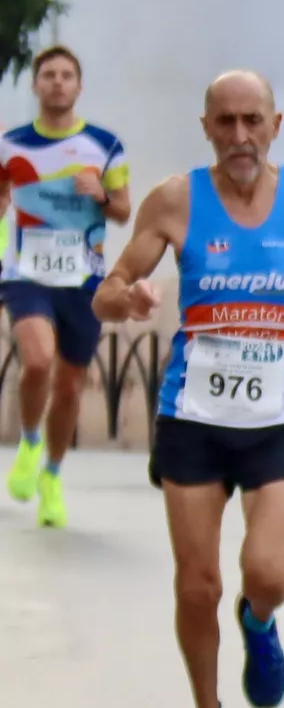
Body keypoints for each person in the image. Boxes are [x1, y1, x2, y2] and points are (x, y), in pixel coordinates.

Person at [95, 71, 284, 708]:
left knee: (268, 575)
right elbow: (105, 291)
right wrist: (132, 297)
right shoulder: (175, 200)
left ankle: (260, 620)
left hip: (281, 416)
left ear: (277, 124)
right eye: (226, 123)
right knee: (195, 583)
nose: (240, 136)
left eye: (253, 121)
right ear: (206, 127)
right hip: (195, 418)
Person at [4, 44, 132, 527]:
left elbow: (123, 210)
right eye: (49, 75)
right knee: (36, 362)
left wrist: (102, 195)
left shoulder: (105, 145)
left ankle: (52, 476)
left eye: (67, 75)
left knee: (71, 386)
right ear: (35, 85)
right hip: (26, 272)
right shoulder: (11, 144)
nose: (57, 82)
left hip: (83, 278)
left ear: (79, 86)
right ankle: (30, 442)